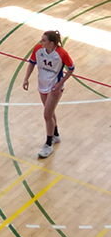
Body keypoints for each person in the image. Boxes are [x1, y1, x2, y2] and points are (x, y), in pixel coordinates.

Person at [22, 30, 75, 159]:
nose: (41, 42)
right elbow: (32, 63)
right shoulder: (38, 49)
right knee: (49, 113)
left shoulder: (61, 53)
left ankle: (48, 144)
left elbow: (71, 68)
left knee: (47, 115)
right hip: (42, 84)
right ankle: (56, 135)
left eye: (44, 40)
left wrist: (60, 82)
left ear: (51, 43)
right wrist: (26, 78)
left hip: (54, 87)